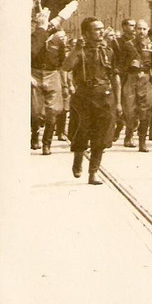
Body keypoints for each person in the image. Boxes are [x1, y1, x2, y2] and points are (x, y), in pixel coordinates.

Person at [63, 18, 120, 185]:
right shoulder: (80, 51)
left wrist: (118, 103)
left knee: (102, 135)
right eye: (96, 29)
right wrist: (75, 49)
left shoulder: (109, 51)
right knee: (81, 132)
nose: (101, 32)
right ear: (86, 33)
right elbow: (66, 67)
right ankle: (78, 159)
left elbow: (115, 76)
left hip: (104, 97)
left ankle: (93, 171)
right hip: (84, 97)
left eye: (102, 29)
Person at [31, 2, 76, 154]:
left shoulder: (58, 41)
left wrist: (64, 84)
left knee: (53, 111)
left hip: (51, 74)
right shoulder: (34, 36)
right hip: (34, 73)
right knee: (35, 111)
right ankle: (35, 134)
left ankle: (47, 143)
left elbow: (62, 64)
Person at [119, 20, 152, 152]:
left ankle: (142, 142)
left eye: (144, 29)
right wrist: (130, 65)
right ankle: (129, 133)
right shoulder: (127, 45)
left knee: (145, 110)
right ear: (134, 30)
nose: (141, 32)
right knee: (129, 111)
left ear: (147, 30)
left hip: (146, 79)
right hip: (131, 78)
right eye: (138, 29)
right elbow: (120, 64)